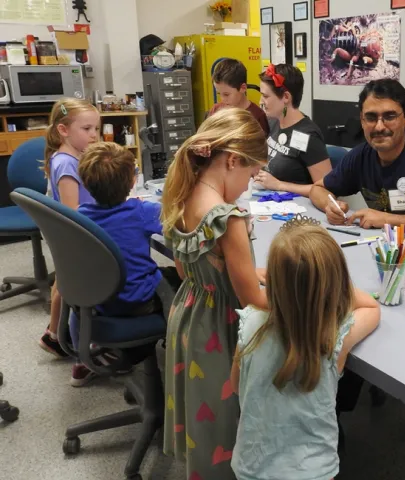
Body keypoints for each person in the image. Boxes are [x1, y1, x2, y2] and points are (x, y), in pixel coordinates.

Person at [161, 108, 268, 480]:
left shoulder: (181, 195)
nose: (249, 185)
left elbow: (188, 267)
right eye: (251, 175)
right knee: (225, 417)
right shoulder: (228, 217)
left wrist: (242, 272)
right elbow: (253, 301)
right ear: (233, 160)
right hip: (220, 331)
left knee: (203, 409)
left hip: (190, 318)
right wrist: (305, 298)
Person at [230, 218, 380, 480]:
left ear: (273, 283)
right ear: (336, 285)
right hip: (314, 471)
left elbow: (235, 385)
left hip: (253, 466)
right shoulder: (332, 337)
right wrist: (337, 285)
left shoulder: (251, 323)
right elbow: (371, 307)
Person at [71, 142, 180, 386]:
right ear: (132, 182)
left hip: (99, 302)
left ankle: (133, 350)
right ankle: (181, 347)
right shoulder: (141, 211)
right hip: (137, 303)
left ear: (85, 183)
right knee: (179, 279)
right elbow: (179, 219)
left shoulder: (79, 216)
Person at [310, 79, 405, 242]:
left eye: (389, 116)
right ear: (362, 121)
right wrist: (331, 206)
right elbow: (317, 189)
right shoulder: (360, 156)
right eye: (370, 117)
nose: (379, 127)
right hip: (385, 250)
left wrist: (386, 220)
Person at [39, 98, 100, 359]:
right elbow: (71, 210)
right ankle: (61, 337)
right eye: (86, 130)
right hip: (74, 234)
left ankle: (53, 334)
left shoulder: (73, 155)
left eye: (96, 129)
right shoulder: (66, 163)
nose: (94, 135)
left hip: (68, 232)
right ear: (63, 130)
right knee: (68, 285)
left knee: (62, 283)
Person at [254, 63, 332, 197]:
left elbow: (328, 190)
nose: (261, 101)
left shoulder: (308, 136)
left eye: (266, 96)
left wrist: (279, 185)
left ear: (286, 97)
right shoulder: (273, 122)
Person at [207, 58, 269, 136]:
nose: (222, 99)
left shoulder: (257, 116)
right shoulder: (215, 111)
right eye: (219, 94)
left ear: (243, 88)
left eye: (226, 94)